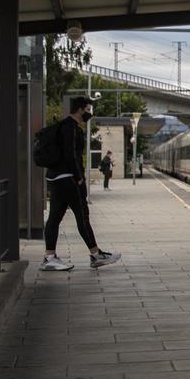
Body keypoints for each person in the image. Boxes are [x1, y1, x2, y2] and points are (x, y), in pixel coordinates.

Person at [41, 97, 120, 271]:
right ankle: (95, 254)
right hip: (69, 179)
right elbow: (71, 155)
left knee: (54, 217)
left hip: (55, 177)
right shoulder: (71, 128)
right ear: (80, 109)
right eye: (88, 109)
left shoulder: (63, 126)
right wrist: (79, 177)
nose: (90, 113)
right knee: (82, 215)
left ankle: (49, 257)